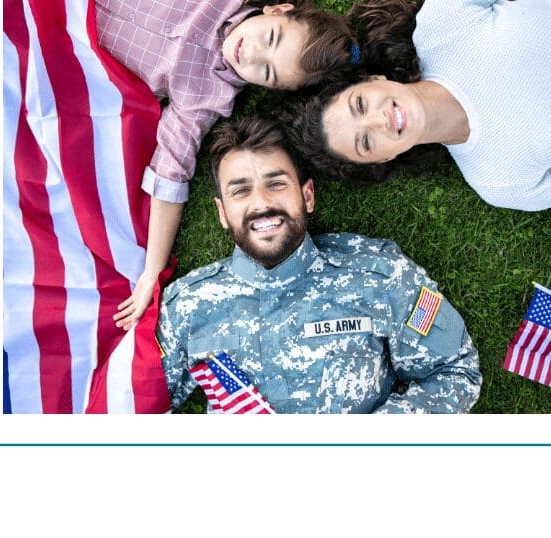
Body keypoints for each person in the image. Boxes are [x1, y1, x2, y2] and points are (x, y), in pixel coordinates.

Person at [90, 0, 376, 329]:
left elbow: (170, 174)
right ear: (278, 8)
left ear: (270, 89)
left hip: (59, 20)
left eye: (268, 73)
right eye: (271, 38)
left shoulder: (205, 95)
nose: (253, 55)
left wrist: (151, 271)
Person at [158, 116, 481, 413]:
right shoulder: (186, 306)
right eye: (241, 191)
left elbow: (455, 369)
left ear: (308, 195)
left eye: (276, 183)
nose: (261, 203)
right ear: (222, 213)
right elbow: (133, 410)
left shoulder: (380, 274)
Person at [284, 0, 551, 210]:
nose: (379, 121)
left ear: (372, 79)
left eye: (360, 104)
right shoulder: (500, 182)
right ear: (384, 158)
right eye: (365, 141)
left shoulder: (440, 25)